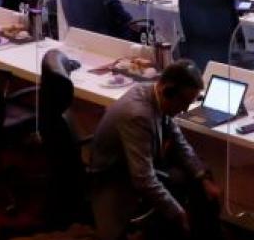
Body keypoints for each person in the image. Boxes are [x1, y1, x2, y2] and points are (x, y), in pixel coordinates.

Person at [89, 60, 222, 240]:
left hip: (136, 164)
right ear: (168, 91)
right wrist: (177, 212)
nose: (184, 110)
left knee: (200, 176)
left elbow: (179, 142)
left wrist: (202, 177)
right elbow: (143, 179)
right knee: (180, 194)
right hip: (116, 176)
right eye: (184, 102)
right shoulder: (137, 115)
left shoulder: (153, 93)